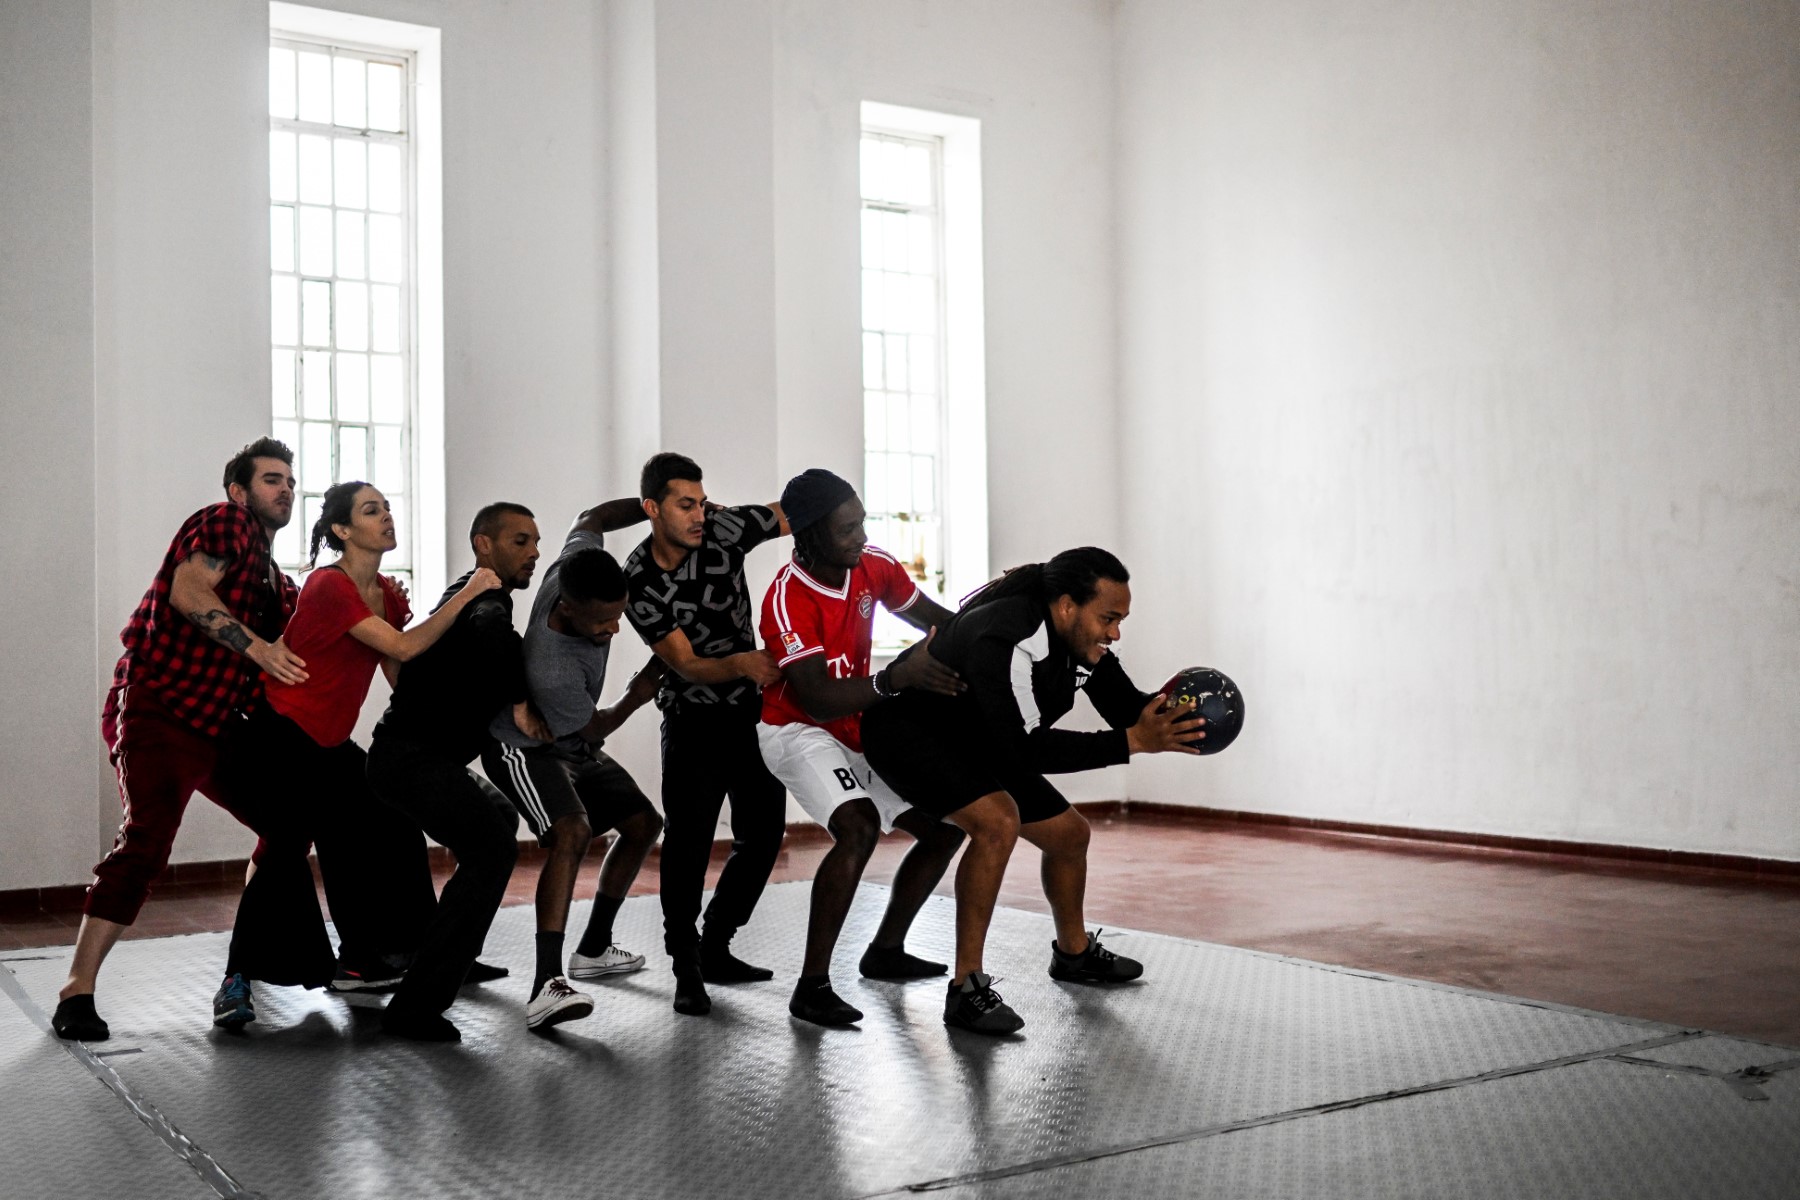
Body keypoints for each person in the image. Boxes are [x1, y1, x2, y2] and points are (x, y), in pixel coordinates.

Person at [860, 547, 1205, 1035]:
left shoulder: (1083, 645)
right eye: (1108, 619)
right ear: (1066, 606)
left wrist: (1177, 714)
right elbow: (1024, 750)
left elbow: (1126, 708)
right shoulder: (1008, 633)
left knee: (1069, 835)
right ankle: (966, 988)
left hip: (978, 740)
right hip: (907, 734)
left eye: (1120, 621)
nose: (1114, 634)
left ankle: (1073, 954)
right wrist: (1132, 742)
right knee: (997, 822)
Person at [203, 482, 501, 1028]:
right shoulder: (328, 586)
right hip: (281, 735)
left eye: (386, 508)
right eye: (371, 510)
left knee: (396, 822)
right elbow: (403, 645)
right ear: (342, 530)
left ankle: (414, 954)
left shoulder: (386, 594)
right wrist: (471, 591)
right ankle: (236, 979)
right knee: (285, 849)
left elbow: (400, 673)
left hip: (330, 744)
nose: (386, 516)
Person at [52, 439, 311, 1041]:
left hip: (217, 723)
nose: (286, 490)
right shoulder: (226, 522)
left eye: (291, 482)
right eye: (272, 479)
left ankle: (241, 969)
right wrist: (259, 649)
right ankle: (75, 991)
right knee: (146, 843)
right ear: (240, 491)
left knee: (287, 826)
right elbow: (189, 593)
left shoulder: (277, 581)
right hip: (158, 707)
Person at [755, 469, 969, 1026]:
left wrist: (992, 628)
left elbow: (939, 623)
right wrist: (897, 678)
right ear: (809, 535)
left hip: (856, 724)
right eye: (847, 528)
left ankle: (886, 951)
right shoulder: (786, 597)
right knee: (859, 827)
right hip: (796, 728)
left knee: (945, 827)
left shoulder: (874, 565)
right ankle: (812, 987)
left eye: (862, 523)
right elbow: (817, 699)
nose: (861, 537)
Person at [363, 502, 547, 1042]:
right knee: (494, 848)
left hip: (418, 759)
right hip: (407, 760)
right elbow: (494, 636)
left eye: (536, 541)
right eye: (520, 541)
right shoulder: (484, 601)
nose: (534, 552)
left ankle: (453, 954)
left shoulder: (466, 593)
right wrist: (521, 703)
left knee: (498, 818)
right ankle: (414, 1008)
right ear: (483, 544)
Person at [481, 498, 667, 1032]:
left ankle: (594, 947)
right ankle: (547, 984)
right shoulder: (553, 668)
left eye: (618, 616)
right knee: (571, 832)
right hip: (522, 746)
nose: (613, 630)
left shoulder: (573, 565)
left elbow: (590, 518)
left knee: (643, 824)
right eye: (602, 622)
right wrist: (640, 691)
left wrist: (652, 510)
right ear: (567, 608)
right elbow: (594, 729)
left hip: (569, 742)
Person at [621, 453, 790, 1017]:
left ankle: (716, 943)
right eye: (684, 505)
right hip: (690, 718)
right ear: (652, 509)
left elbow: (794, 512)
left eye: (701, 502)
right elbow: (686, 663)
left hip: (750, 715)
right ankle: (686, 966)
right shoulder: (637, 578)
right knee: (689, 842)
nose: (698, 515)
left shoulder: (723, 527)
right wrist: (744, 662)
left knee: (763, 833)